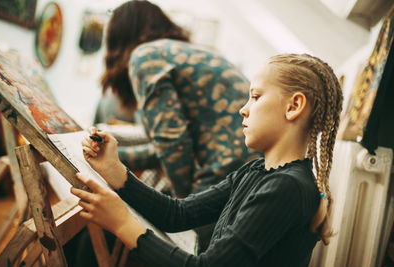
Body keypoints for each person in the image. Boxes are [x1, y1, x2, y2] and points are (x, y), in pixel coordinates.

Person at [71, 53, 343, 266]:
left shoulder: (287, 189)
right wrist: (115, 170)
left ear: (293, 106)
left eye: (256, 97)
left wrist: (121, 223)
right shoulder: (256, 172)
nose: (243, 109)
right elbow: (176, 214)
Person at [99, 0, 257, 201]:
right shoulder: (187, 52)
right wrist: (111, 155)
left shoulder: (145, 56)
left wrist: (182, 208)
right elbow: (167, 147)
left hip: (224, 175)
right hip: (250, 175)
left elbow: (172, 143)